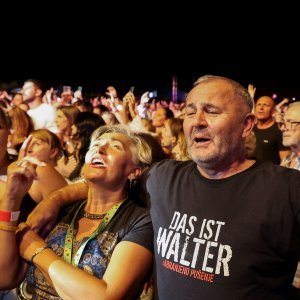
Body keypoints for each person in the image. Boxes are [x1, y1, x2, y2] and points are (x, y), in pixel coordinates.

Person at [26, 75, 300, 299]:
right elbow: (108, 177)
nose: (198, 121)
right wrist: (56, 199)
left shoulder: (286, 189)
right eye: (190, 111)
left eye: (212, 111)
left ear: (246, 125)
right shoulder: (162, 177)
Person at [0, 125, 154, 299]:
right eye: (95, 146)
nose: (100, 149)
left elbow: (106, 296)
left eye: (115, 146)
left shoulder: (140, 221)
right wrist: (11, 199)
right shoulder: (59, 210)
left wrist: (37, 251)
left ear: (134, 172)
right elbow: (5, 277)